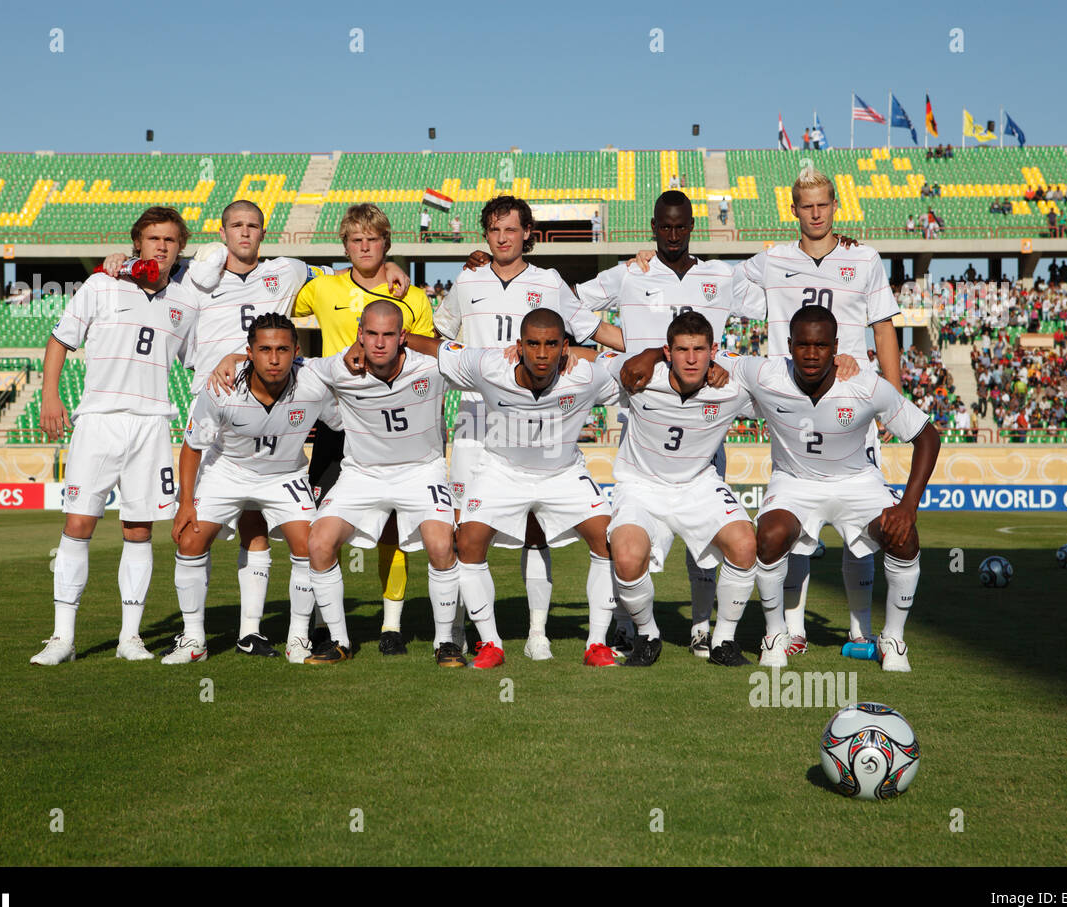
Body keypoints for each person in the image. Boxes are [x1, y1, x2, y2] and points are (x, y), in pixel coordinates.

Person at [102, 200, 402, 657]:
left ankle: (262, 632)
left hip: (276, 412)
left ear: (264, 232)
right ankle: (194, 635)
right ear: (222, 233)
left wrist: (391, 265)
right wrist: (118, 263)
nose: (244, 233)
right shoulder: (192, 276)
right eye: (236, 226)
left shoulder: (288, 270)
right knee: (195, 533)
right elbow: (155, 265)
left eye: (253, 226)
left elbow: (353, 271)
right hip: (219, 412)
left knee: (259, 528)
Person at [434, 194, 624, 658]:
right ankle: (457, 634)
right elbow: (442, 335)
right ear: (486, 235)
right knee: (463, 529)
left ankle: (538, 632)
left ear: (527, 234)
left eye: (511, 230)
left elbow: (591, 330)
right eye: (494, 230)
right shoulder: (468, 278)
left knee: (536, 523)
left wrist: (658, 344)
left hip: (532, 417)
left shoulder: (549, 281)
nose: (502, 238)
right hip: (477, 416)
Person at [728, 165, 904, 657]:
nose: (816, 213)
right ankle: (794, 629)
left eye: (823, 204)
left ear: (835, 205)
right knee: (795, 520)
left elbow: (884, 328)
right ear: (793, 211)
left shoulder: (864, 258)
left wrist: (890, 399)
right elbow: (718, 287)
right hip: (794, 401)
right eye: (806, 206)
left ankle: (860, 631)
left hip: (852, 402)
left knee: (861, 520)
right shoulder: (772, 260)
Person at [575, 190, 744, 655]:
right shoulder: (633, 272)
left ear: (693, 226)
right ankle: (632, 625)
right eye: (664, 227)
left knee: (704, 538)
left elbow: (782, 297)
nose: (672, 235)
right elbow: (572, 306)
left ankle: (701, 625)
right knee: (634, 536)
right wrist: (631, 347)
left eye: (681, 226)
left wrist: (831, 245)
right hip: (645, 420)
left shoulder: (720, 275)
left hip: (703, 426)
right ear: (653, 226)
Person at [30, 205, 201, 666]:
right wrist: (51, 396)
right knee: (78, 524)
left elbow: (195, 360)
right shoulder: (102, 285)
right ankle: (62, 638)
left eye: (170, 240)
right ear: (137, 243)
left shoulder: (187, 302)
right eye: (153, 238)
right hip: (99, 419)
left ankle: (131, 638)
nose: (161, 246)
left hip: (151, 424)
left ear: (180, 248)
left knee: (139, 530)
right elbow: (60, 341)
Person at [731, 305, 939, 671]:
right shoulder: (765, 373)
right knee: (769, 535)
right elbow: (706, 356)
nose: (811, 354)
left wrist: (908, 506)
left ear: (836, 347)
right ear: (789, 346)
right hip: (794, 482)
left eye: (822, 345)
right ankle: (775, 634)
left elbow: (926, 436)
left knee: (903, 534)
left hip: (858, 483)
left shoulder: (865, 385)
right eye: (803, 345)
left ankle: (893, 639)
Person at [169, 315, 338, 664]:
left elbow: (344, 423)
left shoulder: (314, 385)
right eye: (264, 350)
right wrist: (186, 503)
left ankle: (298, 638)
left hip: (284, 474)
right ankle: (193, 640)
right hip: (227, 470)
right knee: (191, 538)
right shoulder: (220, 388)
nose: (273, 359)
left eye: (281, 349)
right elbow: (192, 447)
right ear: (248, 353)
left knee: (310, 545)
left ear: (296, 351)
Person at [302, 300, 461, 665]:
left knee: (440, 545)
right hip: (362, 474)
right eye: (371, 334)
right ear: (360, 335)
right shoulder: (339, 369)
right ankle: (339, 641)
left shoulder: (432, 368)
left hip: (421, 472)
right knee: (320, 541)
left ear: (403, 336)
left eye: (389, 335)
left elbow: (476, 359)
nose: (378, 343)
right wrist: (230, 361)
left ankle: (445, 642)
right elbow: (286, 365)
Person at [608, 312, 756, 667]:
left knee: (745, 542)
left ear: (713, 351)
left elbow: (787, 374)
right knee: (627, 556)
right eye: (682, 350)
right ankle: (647, 634)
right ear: (667, 352)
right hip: (641, 486)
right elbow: (584, 362)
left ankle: (722, 641)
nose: (691, 358)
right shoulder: (639, 377)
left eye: (700, 350)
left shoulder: (732, 388)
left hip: (698, 485)